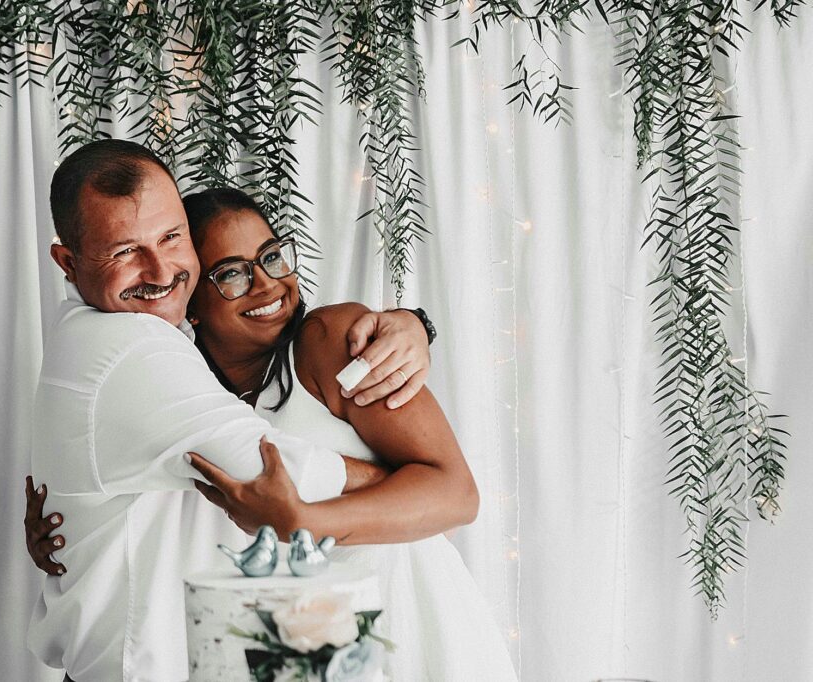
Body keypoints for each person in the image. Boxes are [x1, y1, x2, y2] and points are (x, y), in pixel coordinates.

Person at [31, 184, 519, 679]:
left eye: (271, 257)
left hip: (404, 619)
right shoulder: (179, 383)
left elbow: (457, 496)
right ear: (190, 294)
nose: (267, 285)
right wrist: (69, 521)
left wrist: (303, 521)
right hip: (297, 645)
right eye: (232, 274)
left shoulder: (333, 341)